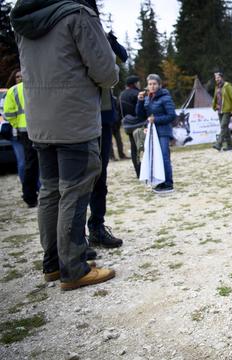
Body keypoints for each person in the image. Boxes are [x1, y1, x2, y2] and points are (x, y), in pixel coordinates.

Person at [10, 0, 117, 290]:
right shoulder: (76, 14)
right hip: (73, 118)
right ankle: (74, 267)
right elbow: (106, 72)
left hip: (39, 122)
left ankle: (54, 263)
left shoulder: (23, 17)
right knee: (74, 189)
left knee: (50, 191)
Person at [87, 26, 128, 249]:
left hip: (102, 113)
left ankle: (96, 227)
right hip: (79, 112)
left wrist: (109, 39)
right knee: (76, 179)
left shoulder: (99, 34)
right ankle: (71, 238)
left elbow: (123, 56)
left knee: (99, 176)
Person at [3, 70, 39, 206]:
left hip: (24, 131)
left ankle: (30, 196)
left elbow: (8, 113)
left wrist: (17, 125)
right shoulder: (37, 86)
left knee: (30, 163)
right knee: (46, 161)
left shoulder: (13, 91)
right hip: (42, 129)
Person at [136, 74, 177, 194]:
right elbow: (141, 115)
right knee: (156, 159)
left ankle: (168, 184)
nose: (152, 86)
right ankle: (160, 182)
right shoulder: (148, 97)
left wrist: (156, 120)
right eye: (150, 84)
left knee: (164, 157)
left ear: (159, 85)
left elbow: (172, 115)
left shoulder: (165, 97)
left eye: (154, 84)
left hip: (163, 131)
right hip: (152, 133)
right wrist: (139, 101)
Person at [120, 75, 142, 176]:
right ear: (134, 83)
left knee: (134, 149)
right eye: (138, 82)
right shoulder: (137, 94)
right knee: (144, 147)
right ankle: (146, 171)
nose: (139, 84)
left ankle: (138, 172)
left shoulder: (121, 95)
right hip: (139, 124)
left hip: (128, 125)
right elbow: (141, 110)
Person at [211, 72, 232, 151]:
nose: (217, 79)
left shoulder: (227, 86)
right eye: (216, 78)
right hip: (219, 110)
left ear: (222, 78)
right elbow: (215, 97)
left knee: (223, 126)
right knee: (225, 128)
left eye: (218, 77)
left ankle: (218, 144)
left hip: (227, 110)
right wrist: (214, 106)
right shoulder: (217, 87)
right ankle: (230, 147)